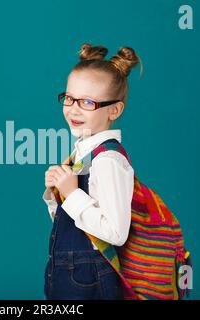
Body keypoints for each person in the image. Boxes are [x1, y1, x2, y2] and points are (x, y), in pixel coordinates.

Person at [43, 43, 142, 300]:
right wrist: (58, 195)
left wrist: (72, 192)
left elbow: (115, 233)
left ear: (114, 110)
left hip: (89, 280)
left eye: (87, 102)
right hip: (65, 272)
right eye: (69, 98)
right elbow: (75, 226)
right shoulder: (82, 155)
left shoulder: (108, 160)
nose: (73, 108)